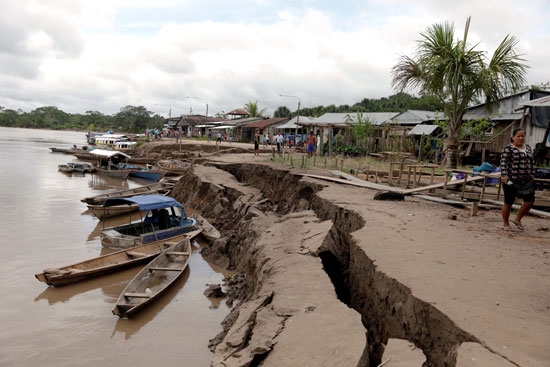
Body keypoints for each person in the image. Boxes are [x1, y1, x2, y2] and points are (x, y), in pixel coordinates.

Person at [500, 127, 535, 231]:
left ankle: (517, 219)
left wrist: (532, 174)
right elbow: (503, 163)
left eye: (522, 136)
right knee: (508, 202)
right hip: (511, 180)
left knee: (530, 201)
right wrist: (504, 175)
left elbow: (532, 162)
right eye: (518, 136)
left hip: (526, 179)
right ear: (513, 137)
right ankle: (506, 223)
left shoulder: (528, 148)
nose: (520, 138)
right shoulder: (508, 149)